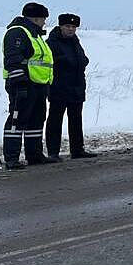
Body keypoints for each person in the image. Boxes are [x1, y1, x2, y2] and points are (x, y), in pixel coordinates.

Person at [1, 1, 57, 169]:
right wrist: (20, 82)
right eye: (43, 19)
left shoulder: (35, 35)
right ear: (35, 18)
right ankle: (11, 158)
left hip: (38, 85)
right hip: (22, 84)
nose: (45, 22)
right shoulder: (18, 32)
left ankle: (35, 155)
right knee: (17, 120)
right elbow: (13, 58)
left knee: (36, 120)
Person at [45, 13, 96, 159]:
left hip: (76, 87)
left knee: (76, 120)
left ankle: (77, 149)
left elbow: (82, 59)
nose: (71, 29)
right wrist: (65, 61)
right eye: (68, 26)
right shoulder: (52, 42)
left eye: (73, 27)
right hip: (59, 87)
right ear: (61, 26)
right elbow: (51, 63)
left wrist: (82, 62)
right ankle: (53, 152)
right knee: (55, 120)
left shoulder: (75, 42)